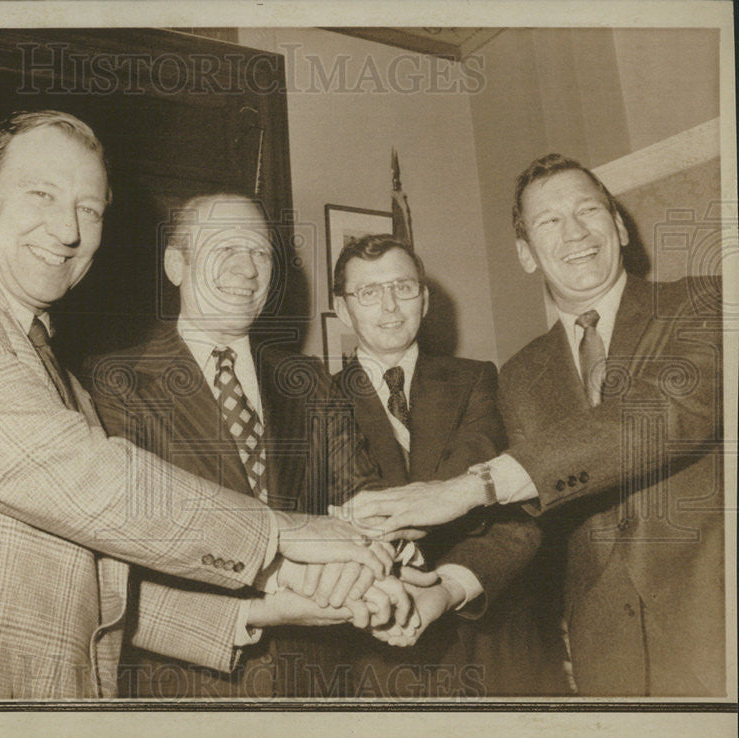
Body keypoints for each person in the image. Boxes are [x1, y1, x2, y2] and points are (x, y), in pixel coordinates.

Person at [0, 110, 390, 699]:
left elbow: (100, 582)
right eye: (41, 194)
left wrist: (262, 611)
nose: (67, 230)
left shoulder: (67, 386)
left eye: (89, 210)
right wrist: (279, 536)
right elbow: (74, 476)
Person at [342, 154, 724, 696]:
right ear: (525, 255)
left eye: (588, 210)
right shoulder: (521, 374)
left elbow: (658, 416)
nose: (575, 232)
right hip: (605, 655)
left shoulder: (706, 303)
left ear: (618, 225)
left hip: (716, 624)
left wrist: (468, 488)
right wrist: (446, 590)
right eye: (549, 221)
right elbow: (525, 520)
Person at [88, 195, 415, 697]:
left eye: (261, 254)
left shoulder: (307, 379)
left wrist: (356, 564)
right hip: (185, 685)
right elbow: (133, 535)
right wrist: (282, 571)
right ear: (177, 264)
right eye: (225, 249)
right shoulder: (116, 383)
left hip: (319, 675)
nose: (246, 269)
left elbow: (364, 502)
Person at [328, 234, 557, 696]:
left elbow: (489, 483)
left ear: (426, 298)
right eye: (369, 292)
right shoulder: (316, 398)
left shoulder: (478, 378)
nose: (391, 307)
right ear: (341, 306)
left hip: (492, 634)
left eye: (404, 288)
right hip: (378, 645)